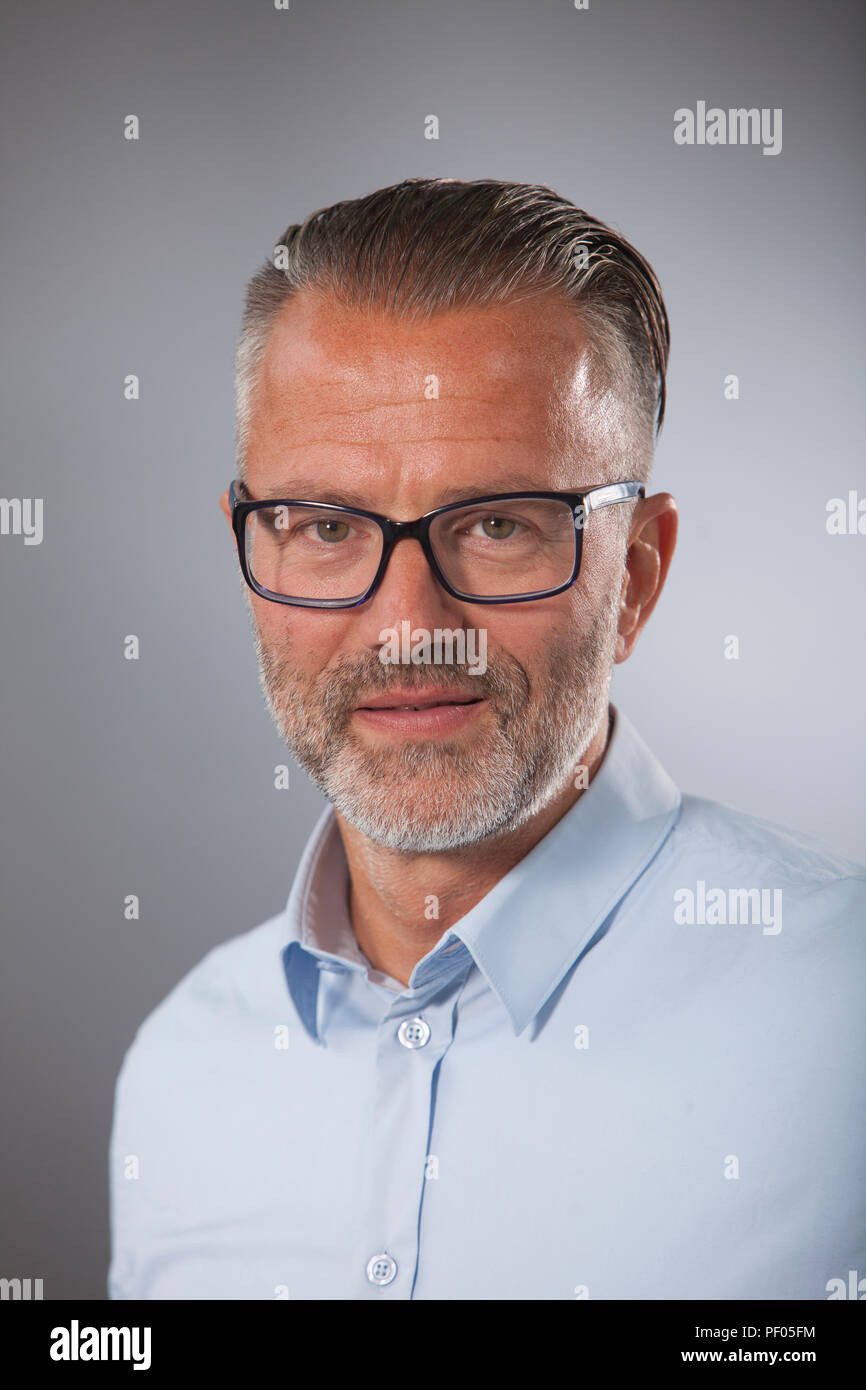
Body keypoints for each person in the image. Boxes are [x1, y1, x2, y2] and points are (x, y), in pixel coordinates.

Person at [108, 178, 865, 1300]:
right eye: (323, 526)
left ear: (637, 578)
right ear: (248, 549)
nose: (408, 627)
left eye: (497, 524)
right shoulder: (178, 1075)